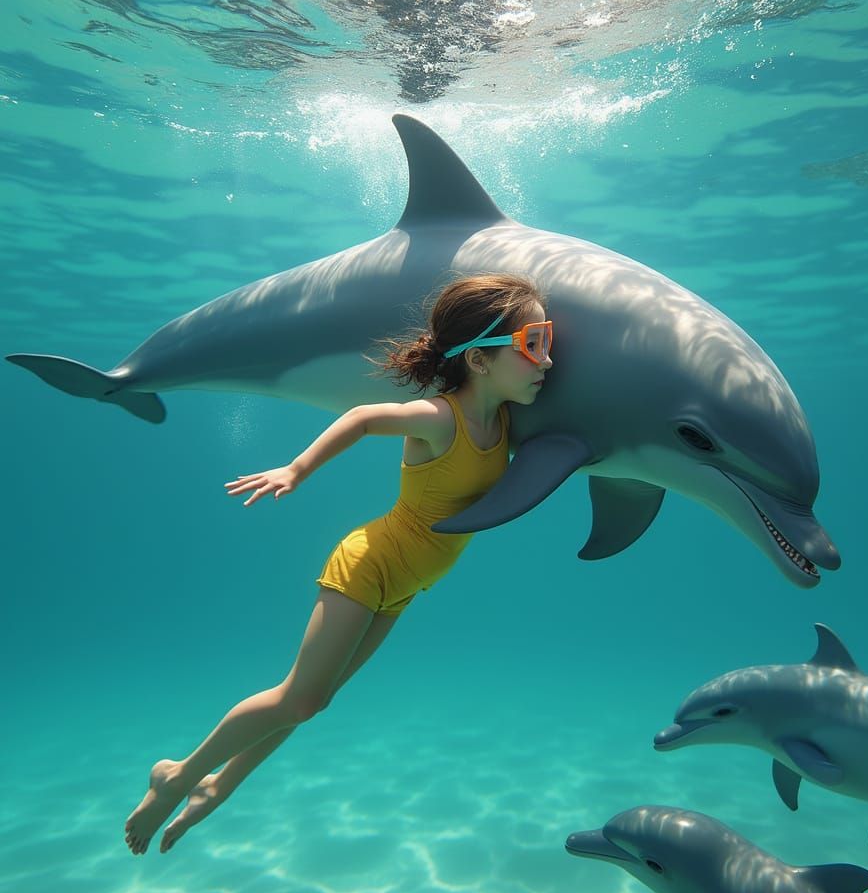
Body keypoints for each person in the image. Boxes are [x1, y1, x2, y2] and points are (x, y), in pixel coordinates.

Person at [124, 273, 553, 855]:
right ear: (478, 359)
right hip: (370, 566)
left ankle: (219, 785)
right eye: (533, 344)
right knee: (300, 697)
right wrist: (296, 470)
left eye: (548, 339)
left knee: (312, 702)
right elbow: (363, 417)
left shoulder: (505, 418)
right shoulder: (439, 417)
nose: (547, 359)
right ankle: (177, 774)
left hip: (404, 584)